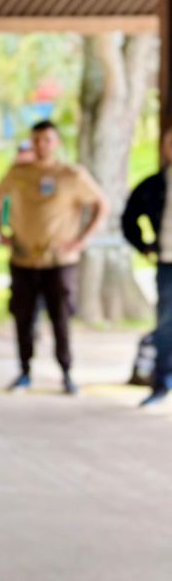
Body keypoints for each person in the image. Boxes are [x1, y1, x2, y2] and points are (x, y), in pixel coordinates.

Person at [0, 120, 106, 396]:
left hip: (59, 261)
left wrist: (81, 239)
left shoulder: (72, 175)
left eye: (47, 140)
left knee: (60, 317)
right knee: (23, 316)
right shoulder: (18, 173)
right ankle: (24, 371)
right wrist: (3, 232)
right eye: (36, 140)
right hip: (24, 259)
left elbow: (101, 204)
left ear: (57, 143)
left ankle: (66, 371)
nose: (41, 146)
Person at [122, 123, 172, 409]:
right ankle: (162, 383)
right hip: (167, 264)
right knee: (166, 326)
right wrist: (144, 246)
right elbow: (129, 218)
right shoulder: (154, 186)